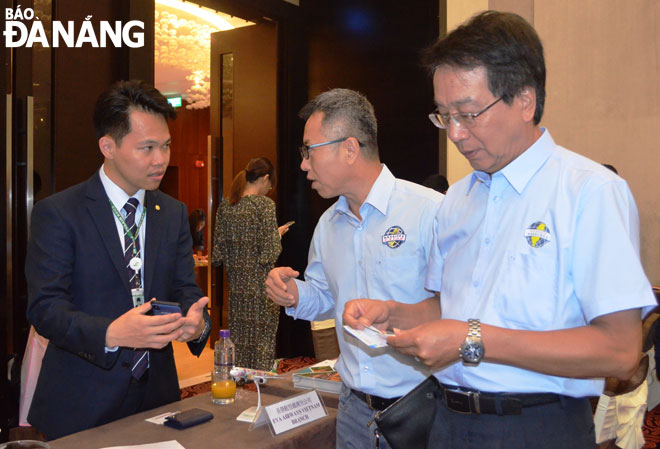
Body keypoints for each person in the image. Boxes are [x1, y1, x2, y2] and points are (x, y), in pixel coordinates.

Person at [343, 11, 656, 449]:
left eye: (469, 113)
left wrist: (473, 340)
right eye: (443, 115)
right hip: (446, 422)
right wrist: (391, 313)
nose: (454, 132)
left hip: (536, 427)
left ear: (525, 100)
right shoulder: (458, 199)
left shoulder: (588, 192)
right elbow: (447, 310)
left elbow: (619, 351)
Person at [25, 80, 211, 439]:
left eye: (166, 145)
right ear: (108, 146)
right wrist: (111, 333)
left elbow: (186, 289)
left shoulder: (171, 213)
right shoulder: (61, 213)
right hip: (81, 404)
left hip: (158, 401)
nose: (161, 159)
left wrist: (197, 323)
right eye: (147, 148)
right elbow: (45, 309)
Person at [265, 88, 443, 449]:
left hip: (422, 408)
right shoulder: (329, 224)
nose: (303, 164)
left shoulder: (430, 212)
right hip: (353, 411)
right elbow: (327, 297)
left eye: (308, 151)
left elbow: (461, 306)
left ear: (349, 148)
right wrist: (294, 293)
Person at [212, 157, 290, 371]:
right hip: (261, 291)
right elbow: (270, 253)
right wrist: (276, 235)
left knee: (239, 349)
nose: (270, 189)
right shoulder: (264, 206)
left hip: (237, 293)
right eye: (270, 184)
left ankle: (240, 391)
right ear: (265, 179)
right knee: (262, 348)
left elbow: (217, 253)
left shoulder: (226, 206)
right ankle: (261, 392)